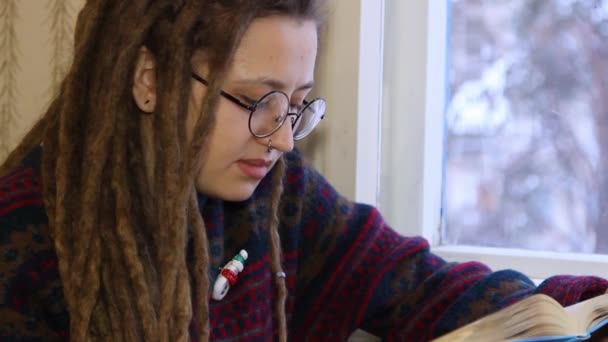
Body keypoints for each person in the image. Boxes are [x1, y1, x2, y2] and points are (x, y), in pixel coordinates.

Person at [0, 1, 606, 341]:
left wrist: (587, 309)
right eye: (256, 100)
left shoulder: (276, 197)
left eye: (296, 104)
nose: (284, 138)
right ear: (149, 80)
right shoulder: (23, 245)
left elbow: (417, 284)